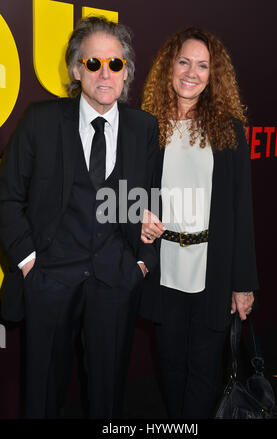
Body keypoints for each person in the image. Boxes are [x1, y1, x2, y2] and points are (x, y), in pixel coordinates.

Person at [0, 16, 159, 419]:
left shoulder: (144, 128)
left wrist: (140, 261)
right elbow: (7, 195)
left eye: (115, 64)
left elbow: (147, 199)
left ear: (126, 72)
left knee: (108, 399)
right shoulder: (41, 121)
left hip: (115, 280)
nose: (105, 74)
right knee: (42, 398)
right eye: (93, 64)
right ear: (76, 68)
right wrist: (28, 261)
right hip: (50, 277)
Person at [139, 27, 259, 419]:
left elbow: (242, 210)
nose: (192, 72)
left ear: (214, 75)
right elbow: (126, 192)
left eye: (203, 65)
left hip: (213, 272)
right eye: (184, 61)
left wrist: (243, 284)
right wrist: (135, 216)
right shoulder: (146, 127)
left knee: (205, 374)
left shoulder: (229, 130)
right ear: (169, 68)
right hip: (163, 269)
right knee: (171, 370)